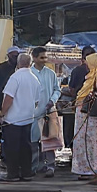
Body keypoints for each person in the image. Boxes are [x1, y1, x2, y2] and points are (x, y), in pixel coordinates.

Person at [0, 53, 44, 182]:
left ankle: (12, 174)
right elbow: (36, 101)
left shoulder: (15, 77)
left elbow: (8, 98)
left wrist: (2, 114)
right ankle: (26, 173)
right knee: (26, 147)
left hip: (13, 119)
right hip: (28, 118)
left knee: (12, 148)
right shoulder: (34, 79)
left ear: (18, 63)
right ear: (30, 63)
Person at [71, 53, 97, 180]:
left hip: (90, 115)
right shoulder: (90, 76)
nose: (86, 65)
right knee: (83, 140)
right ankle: (85, 169)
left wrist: (95, 93)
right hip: (84, 113)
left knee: (90, 140)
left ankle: (91, 169)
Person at [31, 46, 63, 177]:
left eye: (45, 57)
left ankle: (50, 166)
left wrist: (52, 100)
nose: (44, 60)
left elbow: (57, 90)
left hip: (48, 111)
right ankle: (35, 166)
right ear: (34, 58)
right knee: (33, 141)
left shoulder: (50, 73)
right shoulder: (29, 73)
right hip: (33, 113)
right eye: (41, 57)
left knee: (50, 140)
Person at [0, 46, 20, 113]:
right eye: (14, 56)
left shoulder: (20, 68)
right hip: (0, 98)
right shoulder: (1, 67)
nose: (16, 58)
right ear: (8, 55)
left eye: (17, 56)